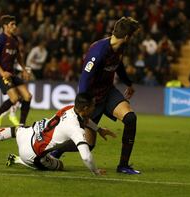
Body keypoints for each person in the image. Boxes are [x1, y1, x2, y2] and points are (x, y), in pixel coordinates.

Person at [51, 17, 141, 174]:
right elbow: (84, 79)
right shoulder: (98, 51)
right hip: (92, 99)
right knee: (89, 144)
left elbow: (118, 65)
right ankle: (55, 152)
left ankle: (123, 166)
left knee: (130, 118)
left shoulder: (120, 47)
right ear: (127, 37)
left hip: (108, 91)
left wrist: (128, 83)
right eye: (133, 36)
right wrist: (82, 107)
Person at [0, 93, 116, 174]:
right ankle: (19, 160)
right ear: (84, 108)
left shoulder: (69, 108)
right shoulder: (75, 129)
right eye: (92, 106)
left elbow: (86, 120)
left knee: (13, 130)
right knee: (60, 166)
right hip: (31, 154)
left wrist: (99, 129)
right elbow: (86, 156)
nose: (94, 109)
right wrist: (95, 171)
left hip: (27, 133)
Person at [0, 15, 32, 132]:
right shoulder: (0, 39)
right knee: (14, 98)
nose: (15, 26)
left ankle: (22, 125)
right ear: (5, 26)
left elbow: (18, 56)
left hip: (11, 73)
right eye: (12, 24)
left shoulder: (15, 39)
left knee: (27, 96)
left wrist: (24, 69)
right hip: (0, 73)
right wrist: (2, 72)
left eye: (15, 24)